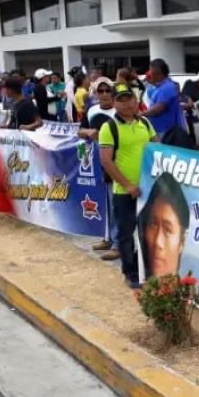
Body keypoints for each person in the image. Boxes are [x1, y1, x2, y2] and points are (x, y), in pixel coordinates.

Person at [98, 84, 159, 289]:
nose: (126, 104)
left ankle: (146, 268)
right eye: (121, 100)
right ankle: (130, 272)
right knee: (126, 234)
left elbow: (158, 148)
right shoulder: (109, 128)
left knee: (148, 232)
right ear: (114, 103)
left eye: (128, 99)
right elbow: (106, 161)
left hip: (147, 190)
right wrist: (128, 185)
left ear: (135, 100)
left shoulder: (145, 122)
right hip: (124, 192)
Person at [79, 77, 121, 261]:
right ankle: (108, 238)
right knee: (103, 203)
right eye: (101, 91)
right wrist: (88, 132)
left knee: (116, 204)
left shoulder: (119, 112)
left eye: (107, 90)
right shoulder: (91, 110)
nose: (104, 94)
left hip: (115, 161)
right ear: (95, 93)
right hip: (95, 163)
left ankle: (119, 244)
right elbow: (80, 130)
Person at [138, 173, 190, 281]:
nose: (158, 242)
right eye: (153, 224)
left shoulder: (187, 294)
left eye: (168, 230)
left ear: (182, 240)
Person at [141, 59, 184, 138]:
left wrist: (141, 114)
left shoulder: (167, 87)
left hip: (165, 132)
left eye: (150, 70)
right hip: (160, 130)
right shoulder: (161, 86)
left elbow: (157, 110)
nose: (149, 73)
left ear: (157, 72)